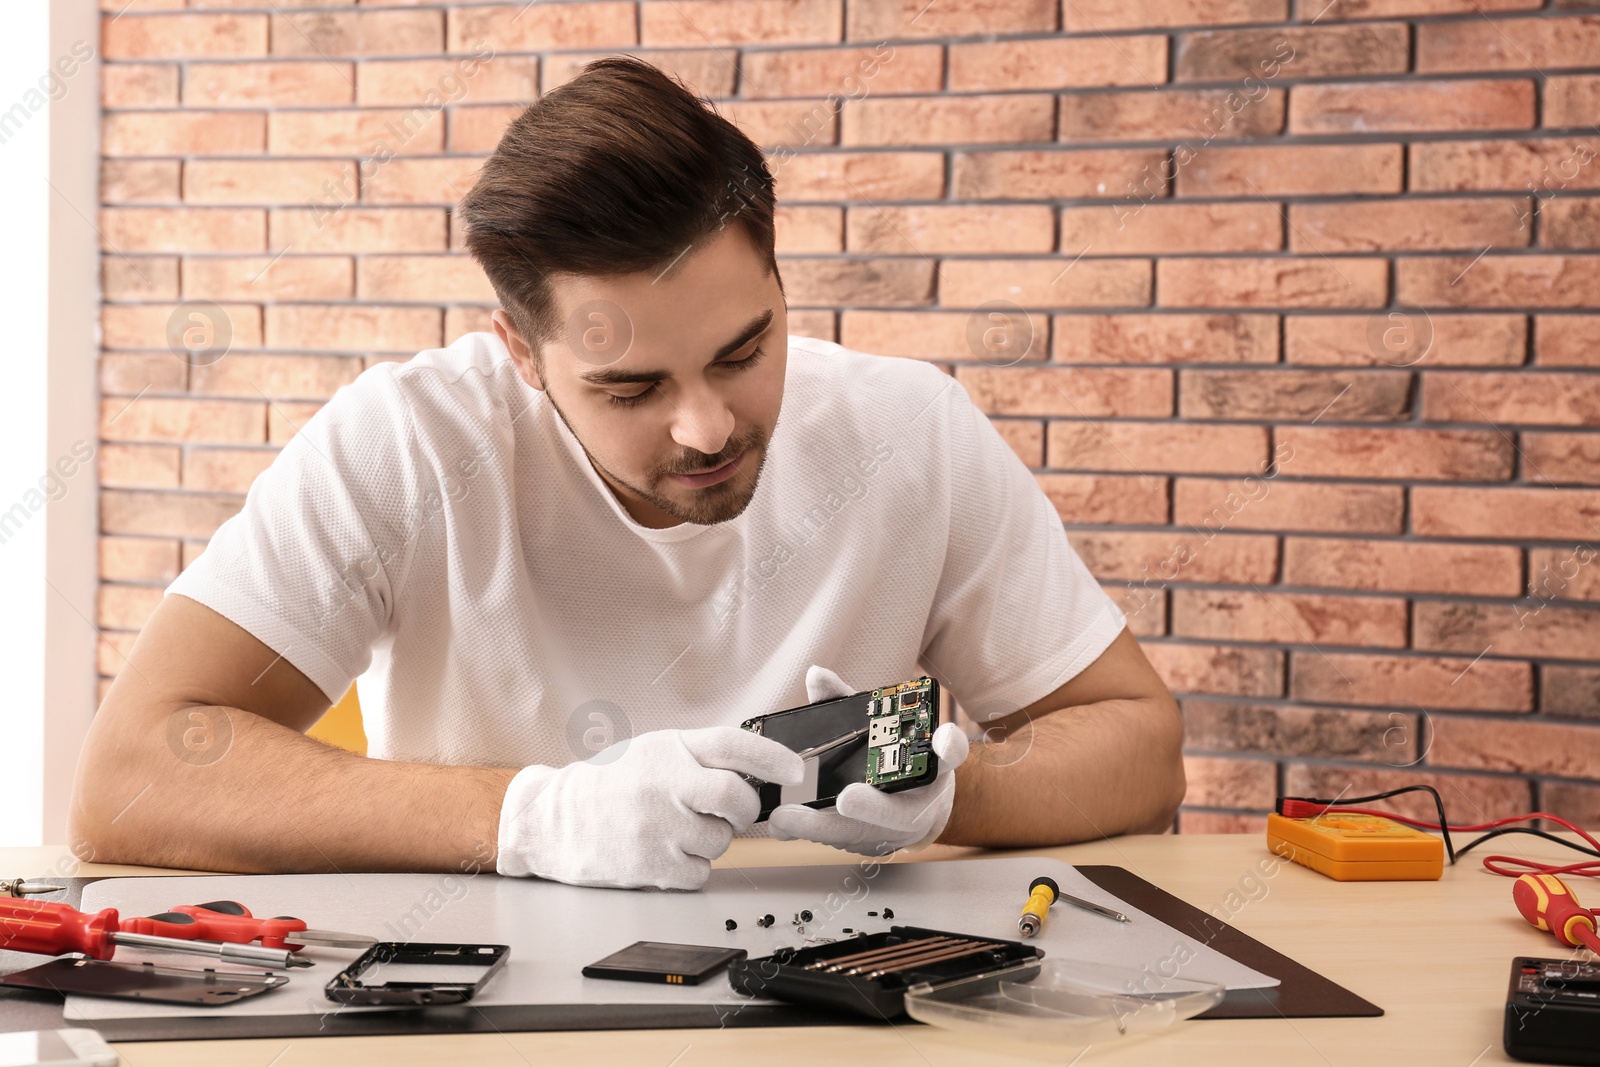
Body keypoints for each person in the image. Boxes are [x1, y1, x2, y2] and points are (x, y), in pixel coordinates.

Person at [69, 57, 1184, 891]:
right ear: (522, 353)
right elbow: (127, 777)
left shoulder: (910, 430)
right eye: (631, 387)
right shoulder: (409, 442)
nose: (707, 427)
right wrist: (535, 816)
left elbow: (1136, 742)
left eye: (743, 351)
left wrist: (952, 796)